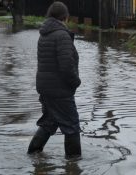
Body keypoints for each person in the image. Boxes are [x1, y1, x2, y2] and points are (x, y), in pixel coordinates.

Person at [27, 1, 81, 159]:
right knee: (72, 126)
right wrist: (75, 82)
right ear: (65, 17)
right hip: (60, 90)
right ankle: (74, 163)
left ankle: (33, 153)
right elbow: (66, 66)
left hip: (46, 88)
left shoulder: (45, 34)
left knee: (49, 122)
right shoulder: (62, 35)